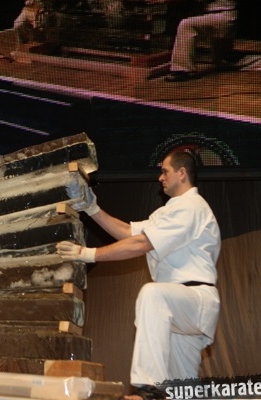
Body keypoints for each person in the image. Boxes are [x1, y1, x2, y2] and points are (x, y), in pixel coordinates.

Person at [56, 150, 221, 400]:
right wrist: (92, 208)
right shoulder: (169, 211)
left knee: (153, 295)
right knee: (183, 389)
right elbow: (128, 232)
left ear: (182, 173)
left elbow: (141, 244)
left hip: (193, 299)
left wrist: (87, 253)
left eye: (165, 171)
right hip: (178, 308)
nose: (160, 177)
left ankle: (150, 388)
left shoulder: (191, 207)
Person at [165, 0, 237, 82]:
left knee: (185, 24)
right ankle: (225, 60)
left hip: (223, 15)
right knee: (220, 60)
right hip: (224, 14)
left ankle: (183, 70)